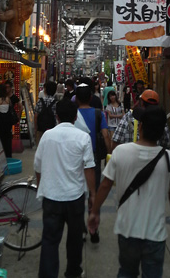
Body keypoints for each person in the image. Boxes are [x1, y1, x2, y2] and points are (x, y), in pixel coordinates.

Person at [88, 105, 170, 278]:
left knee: (126, 272)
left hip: (127, 230)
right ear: (162, 132)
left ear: (140, 127)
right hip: (155, 233)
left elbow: (105, 185)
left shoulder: (121, 152)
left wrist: (94, 212)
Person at [34, 98, 96, 278]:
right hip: (74, 197)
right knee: (75, 238)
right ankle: (73, 271)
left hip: (51, 196)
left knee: (50, 240)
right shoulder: (83, 137)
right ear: (76, 117)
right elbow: (89, 168)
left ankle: (47, 275)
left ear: (57, 116)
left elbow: (37, 166)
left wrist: (42, 186)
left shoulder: (47, 136)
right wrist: (93, 194)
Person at [75, 82, 111, 243]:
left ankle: (81, 229)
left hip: (75, 158)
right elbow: (106, 135)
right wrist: (109, 154)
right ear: (90, 97)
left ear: (76, 99)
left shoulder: (73, 114)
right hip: (93, 159)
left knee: (77, 194)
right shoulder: (98, 114)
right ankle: (93, 227)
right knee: (94, 193)